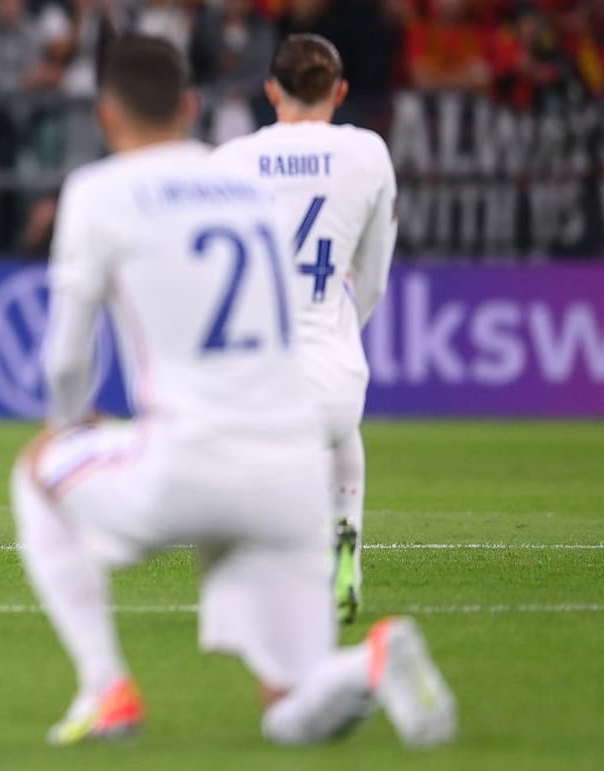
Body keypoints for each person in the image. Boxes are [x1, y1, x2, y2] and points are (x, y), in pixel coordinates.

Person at [9, 35, 455, 748]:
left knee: (35, 474)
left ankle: (105, 686)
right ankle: (374, 660)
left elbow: (67, 355)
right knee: (289, 706)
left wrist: (69, 421)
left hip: (185, 460)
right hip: (291, 469)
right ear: (191, 106)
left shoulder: (98, 191)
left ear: (106, 116)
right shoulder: (246, 187)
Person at [210, 33, 397, 624]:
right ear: (340, 91)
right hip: (334, 374)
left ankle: (273, 568)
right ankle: (348, 547)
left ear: (271, 91)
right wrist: (344, 329)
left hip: (251, 386)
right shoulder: (368, 153)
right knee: (341, 433)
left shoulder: (229, 161)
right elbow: (373, 277)